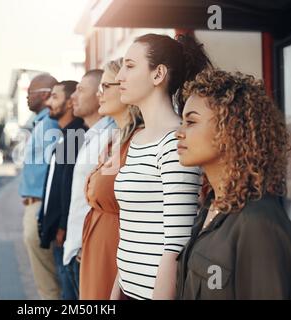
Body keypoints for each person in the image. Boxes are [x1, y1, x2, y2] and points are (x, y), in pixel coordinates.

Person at [111, 33, 212, 300]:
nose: (120, 76)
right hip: (126, 290)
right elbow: (130, 231)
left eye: (130, 66)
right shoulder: (138, 140)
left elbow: (175, 247)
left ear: (158, 75)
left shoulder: (175, 142)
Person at [175, 69, 291, 300]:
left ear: (229, 129)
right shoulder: (209, 207)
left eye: (191, 122)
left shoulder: (258, 222)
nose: (179, 133)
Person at [80, 58, 144, 300]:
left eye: (106, 86)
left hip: (116, 254)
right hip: (97, 248)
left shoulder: (138, 141)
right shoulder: (113, 139)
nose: (100, 93)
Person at [63, 69, 117, 299]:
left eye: (81, 90)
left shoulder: (113, 136)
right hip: (76, 247)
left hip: (87, 250)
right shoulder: (92, 135)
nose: (72, 96)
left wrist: (87, 247)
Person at [39, 80, 87, 300]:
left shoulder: (75, 136)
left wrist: (61, 226)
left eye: (55, 97)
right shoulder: (67, 135)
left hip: (65, 234)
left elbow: (67, 185)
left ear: (69, 103)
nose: (49, 102)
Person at [19, 73, 61, 300]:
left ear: (45, 95)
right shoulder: (41, 124)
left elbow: (57, 169)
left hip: (41, 208)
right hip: (35, 205)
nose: (26, 98)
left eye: (30, 93)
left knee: (49, 282)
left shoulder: (51, 124)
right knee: (47, 278)